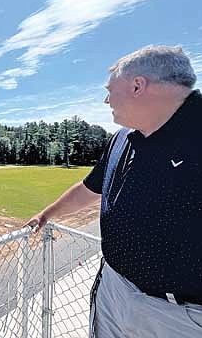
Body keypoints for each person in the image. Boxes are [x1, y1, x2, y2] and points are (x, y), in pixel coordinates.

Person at [24, 45, 202, 337]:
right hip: (112, 288)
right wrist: (46, 214)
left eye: (109, 90)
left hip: (180, 317)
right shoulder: (121, 138)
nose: (106, 99)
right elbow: (89, 188)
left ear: (137, 85)